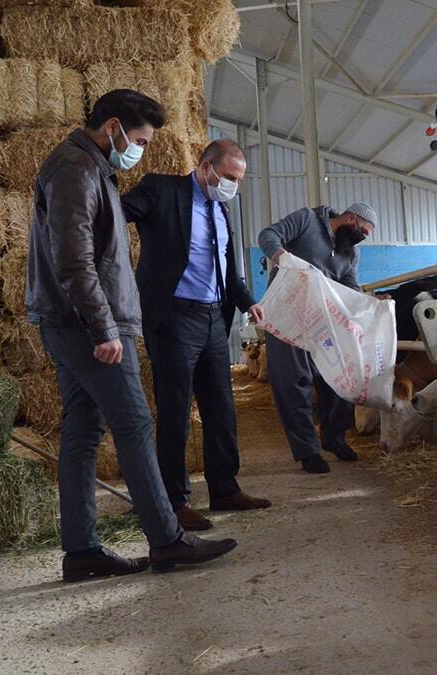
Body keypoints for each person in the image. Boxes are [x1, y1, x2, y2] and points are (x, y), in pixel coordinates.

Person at [25, 88, 237, 581]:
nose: (139, 148)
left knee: (82, 432)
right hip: (87, 324)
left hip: (73, 321)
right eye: (139, 138)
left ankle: (81, 552)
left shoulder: (92, 168)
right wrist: (104, 326)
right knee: (136, 424)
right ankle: (167, 539)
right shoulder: (76, 169)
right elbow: (73, 258)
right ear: (114, 126)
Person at [121, 140, 272, 532]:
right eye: (229, 177)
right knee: (175, 411)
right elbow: (119, 211)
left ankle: (225, 487)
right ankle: (173, 501)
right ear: (206, 167)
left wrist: (247, 301)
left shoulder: (222, 210)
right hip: (174, 317)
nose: (233, 186)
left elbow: (228, 268)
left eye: (238, 180)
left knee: (221, 405)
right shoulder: (162, 190)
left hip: (212, 319)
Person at [257, 203, 376, 474]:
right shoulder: (307, 220)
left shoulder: (350, 253)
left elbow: (349, 287)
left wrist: (369, 304)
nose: (362, 238)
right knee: (294, 383)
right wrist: (281, 256)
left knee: (341, 377)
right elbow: (268, 234)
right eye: (363, 231)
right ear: (352, 218)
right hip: (286, 316)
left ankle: (333, 437)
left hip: (321, 322)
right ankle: (307, 451)